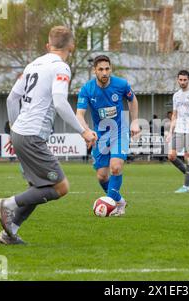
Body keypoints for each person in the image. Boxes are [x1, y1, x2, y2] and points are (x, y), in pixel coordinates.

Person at [0, 26, 97, 245]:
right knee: (61, 187)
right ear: (72, 46)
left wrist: (13, 131)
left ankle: (8, 232)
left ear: (47, 45)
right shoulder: (61, 67)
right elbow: (60, 102)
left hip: (21, 132)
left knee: (39, 187)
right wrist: (84, 131)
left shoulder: (33, 64)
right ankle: (8, 204)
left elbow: (11, 99)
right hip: (32, 135)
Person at [76, 55, 140, 217]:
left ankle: (108, 205)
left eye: (107, 69)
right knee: (102, 176)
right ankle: (119, 202)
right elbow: (79, 115)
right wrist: (87, 131)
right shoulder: (87, 89)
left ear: (110, 69)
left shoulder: (121, 84)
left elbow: (132, 100)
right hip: (100, 136)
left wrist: (135, 121)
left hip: (119, 132)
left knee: (116, 167)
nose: (104, 72)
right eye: (101, 69)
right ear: (94, 71)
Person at [166, 70, 189, 193]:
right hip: (179, 128)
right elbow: (174, 115)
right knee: (171, 156)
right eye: (180, 80)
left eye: (184, 80)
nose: (182, 82)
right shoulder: (176, 95)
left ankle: (186, 186)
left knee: (188, 156)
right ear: (177, 80)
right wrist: (170, 132)